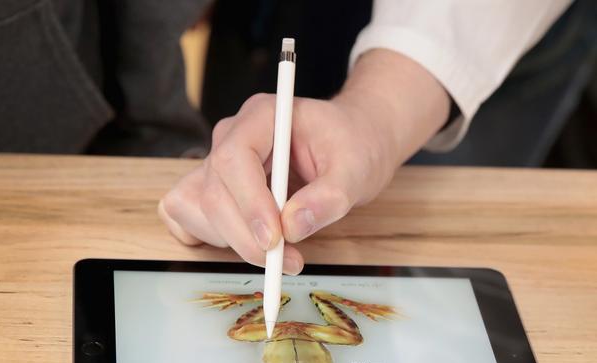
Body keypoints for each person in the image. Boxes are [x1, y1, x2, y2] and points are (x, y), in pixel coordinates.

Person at [161, 0, 579, 275]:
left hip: (478, 27)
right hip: (271, 14)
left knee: (435, 274)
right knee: (245, 170)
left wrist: (377, 113)